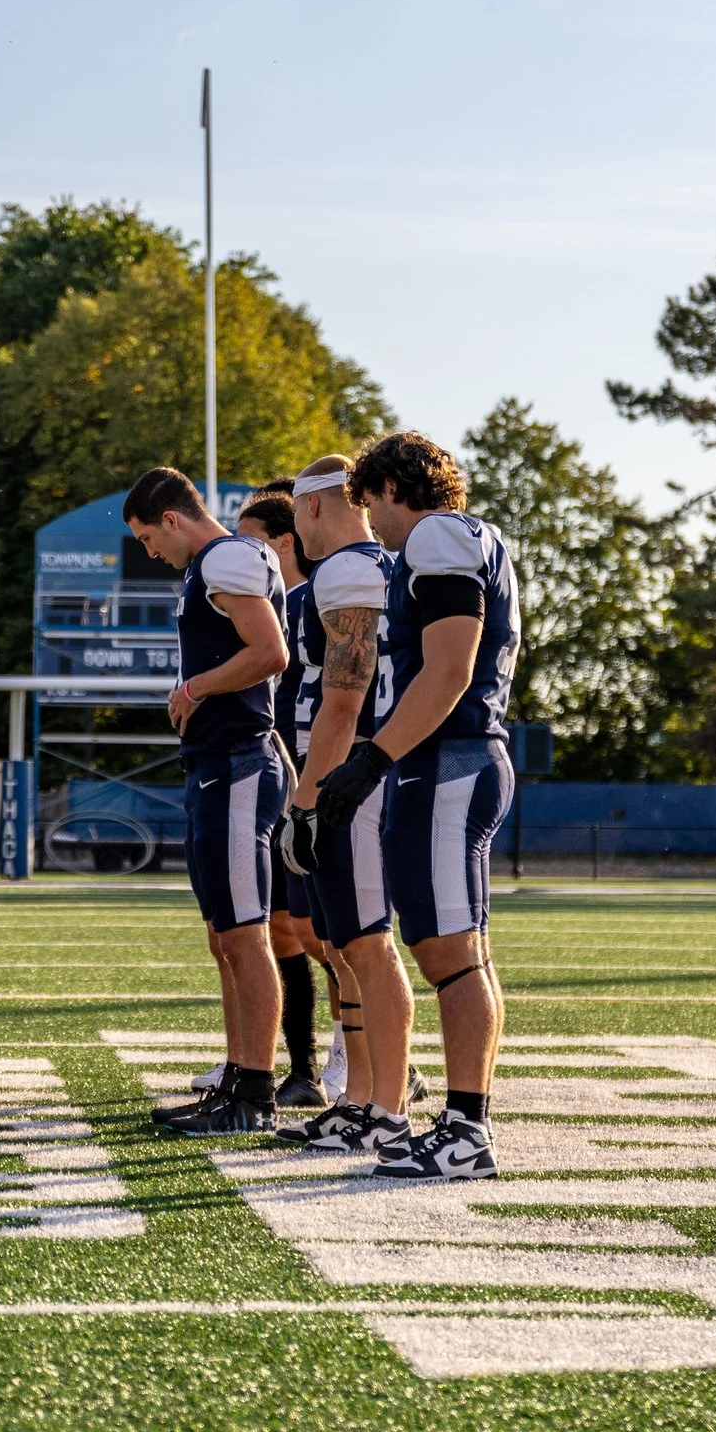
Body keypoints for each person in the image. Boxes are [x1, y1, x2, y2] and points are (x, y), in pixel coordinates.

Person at [315, 431, 520, 1181]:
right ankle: (465, 1121)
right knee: (463, 952)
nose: (373, 520)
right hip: (456, 758)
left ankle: (467, 1131)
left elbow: (449, 668)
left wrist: (373, 757)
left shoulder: (436, 536)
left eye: (371, 501)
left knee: (448, 954)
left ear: (393, 488)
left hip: (448, 759)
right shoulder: (467, 538)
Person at [123, 467, 289, 1135]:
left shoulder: (224, 557)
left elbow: (270, 652)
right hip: (219, 762)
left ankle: (255, 1093)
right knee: (225, 935)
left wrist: (194, 688)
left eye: (147, 537)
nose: (149, 552)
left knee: (245, 933)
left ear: (171, 519)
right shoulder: (218, 563)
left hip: (238, 760)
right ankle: (237, 1075)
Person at [272, 455, 421, 1156]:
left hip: (348, 778)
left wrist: (305, 800)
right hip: (345, 774)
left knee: (365, 942)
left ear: (311, 507)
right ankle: (361, 1095)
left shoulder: (349, 570)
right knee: (341, 945)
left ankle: (386, 1105)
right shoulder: (359, 568)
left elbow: (343, 697)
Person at [234, 485, 332, 1109]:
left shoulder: (319, 597)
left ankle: (375, 1059)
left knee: (330, 933)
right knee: (282, 929)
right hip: (281, 776)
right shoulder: (276, 603)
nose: (238, 553)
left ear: (284, 542)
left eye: (251, 542)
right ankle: (303, 1067)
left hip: (318, 777)